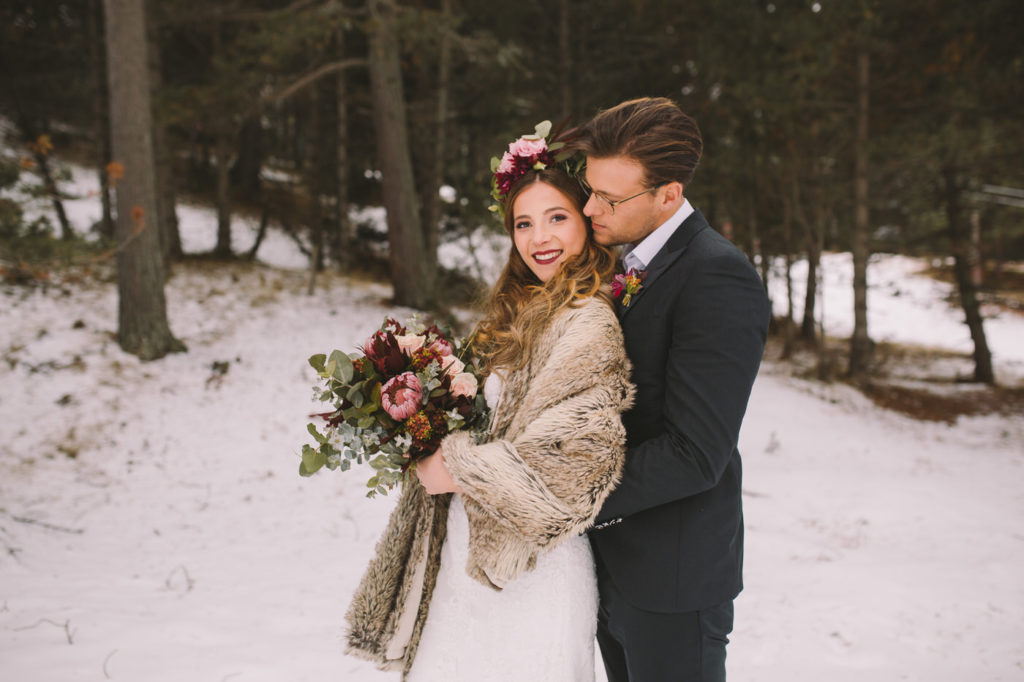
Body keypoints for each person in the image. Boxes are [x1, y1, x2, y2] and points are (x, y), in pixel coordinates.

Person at [344, 129, 635, 682]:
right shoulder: (515, 316)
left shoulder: (588, 323)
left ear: (586, 224)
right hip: (465, 558)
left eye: (557, 218)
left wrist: (457, 468)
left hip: (531, 568)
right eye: (523, 224)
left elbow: (577, 465)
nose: (539, 237)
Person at [576, 97, 771, 682]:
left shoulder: (717, 274)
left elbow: (696, 453)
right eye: (590, 189)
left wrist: (561, 501)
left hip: (672, 579)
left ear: (670, 194)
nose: (589, 208)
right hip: (615, 566)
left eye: (610, 199)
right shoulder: (626, 261)